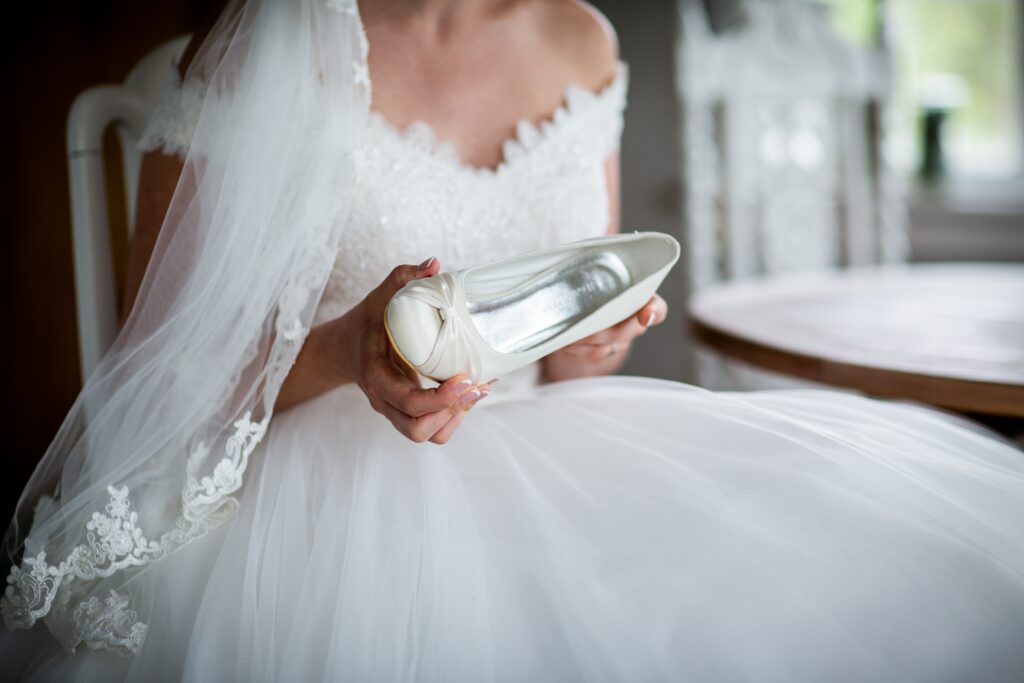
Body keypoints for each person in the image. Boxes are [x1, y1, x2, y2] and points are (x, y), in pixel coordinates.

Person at [3, 1, 1023, 680]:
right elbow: (164, 377)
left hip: (561, 443)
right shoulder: (272, 38)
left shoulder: (582, 39)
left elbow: (576, 340)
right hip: (315, 485)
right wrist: (345, 350)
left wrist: (597, 336)